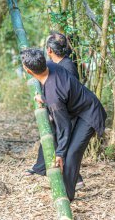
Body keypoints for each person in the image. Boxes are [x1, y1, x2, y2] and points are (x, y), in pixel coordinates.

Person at [21, 48, 107, 201]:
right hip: (79, 109)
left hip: (89, 114)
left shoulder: (54, 97)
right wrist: (44, 98)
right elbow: (57, 94)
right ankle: (68, 186)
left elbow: (64, 126)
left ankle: (66, 196)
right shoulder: (50, 66)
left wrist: (59, 153)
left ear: (28, 71)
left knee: (71, 153)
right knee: (67, 151)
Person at [26, 32, 84, 190]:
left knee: (61, 141)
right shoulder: (54, 63)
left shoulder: (67, 66)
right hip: (60, 110)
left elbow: (66, 95)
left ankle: (76, 179)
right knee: (51, 137)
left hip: (68, 113)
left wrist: (53, 113)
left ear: (50, 50)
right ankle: (40, 166)